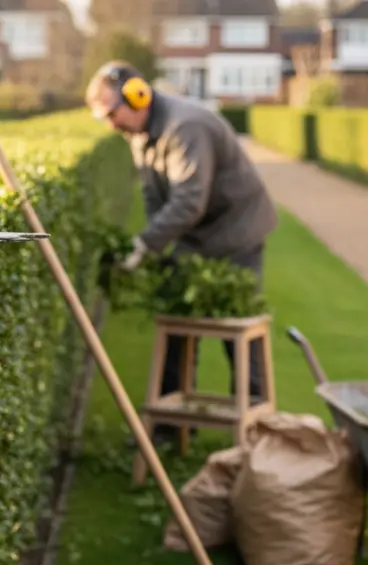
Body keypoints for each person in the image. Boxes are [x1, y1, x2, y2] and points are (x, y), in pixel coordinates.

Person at [85, 60, 278, 446]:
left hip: (237, 232)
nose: (111, 124)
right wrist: (156, 248)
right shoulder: (140, 133)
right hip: (197, 237)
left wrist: (145, 244)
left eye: (112, 113)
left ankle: (259, 433)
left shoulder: (184, 127)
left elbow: (189, 200)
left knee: (235, 326)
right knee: (175, 319)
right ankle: (169, 428)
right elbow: (154, 196)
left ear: (136, 95)